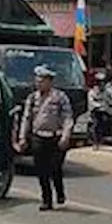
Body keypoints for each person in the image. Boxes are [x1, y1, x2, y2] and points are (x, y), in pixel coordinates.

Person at [16, 65, 74, 211]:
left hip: (56, 138)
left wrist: (66, 136)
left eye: (42, 81)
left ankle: (59, 192)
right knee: (41, 170)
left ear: (49, 81)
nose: (38, 83)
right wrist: (22, 138)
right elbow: (26, 118)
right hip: (38, 137)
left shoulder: (60, 97)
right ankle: (46, 199)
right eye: (37, 81)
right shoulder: (32, 98)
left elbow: (68, 117)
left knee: (55, 168)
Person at [87, 72, 112, 150]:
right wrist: (99, 105)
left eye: (103, 82)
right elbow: (91, 103)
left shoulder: (107, 91)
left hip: (106, 111)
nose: (102, 84)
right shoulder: (92, 92)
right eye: (100, 82)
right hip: (96, 112)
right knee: (96, 126)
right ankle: (95, 143)